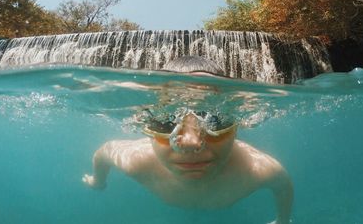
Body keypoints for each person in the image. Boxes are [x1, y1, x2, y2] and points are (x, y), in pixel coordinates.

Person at [83, 56, 293, 224]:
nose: (191, 143)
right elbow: (104, 152)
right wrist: (98, 181)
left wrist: (283, 220)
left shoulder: (259, 169)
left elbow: (284, 186)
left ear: (237, 126)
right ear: (146, 128)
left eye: (216, 122)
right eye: (166, 123)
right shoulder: (137, 161)